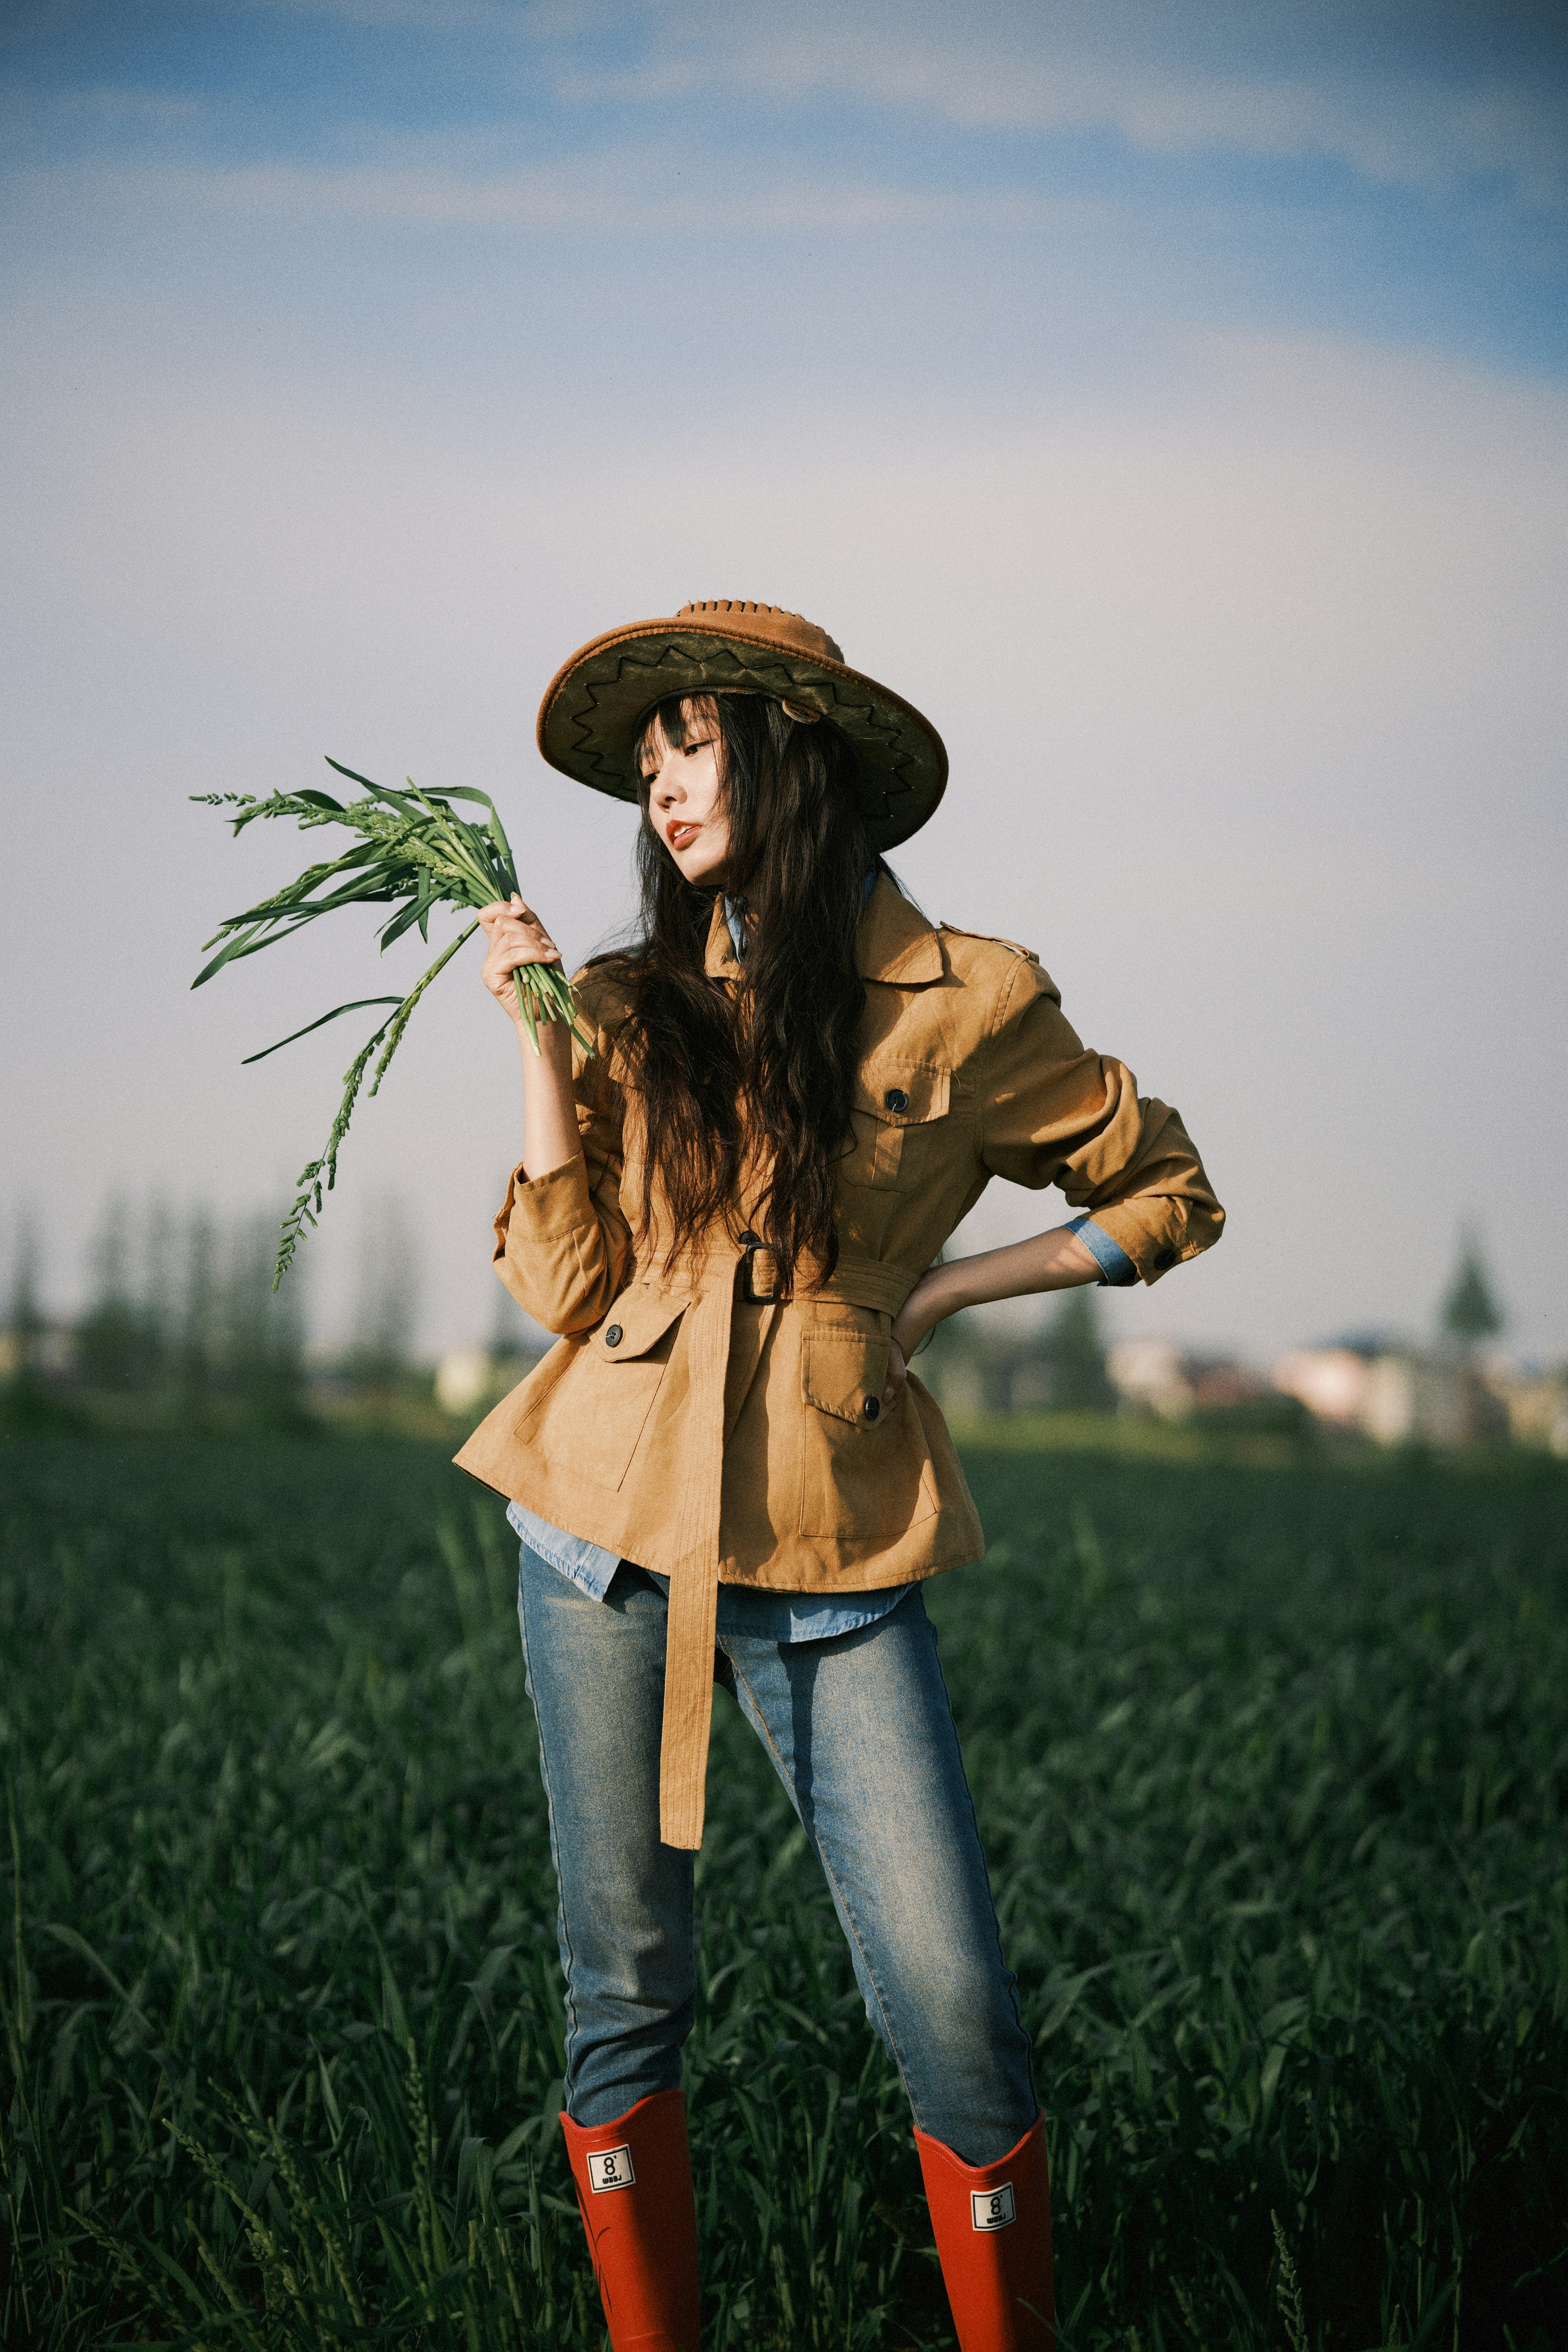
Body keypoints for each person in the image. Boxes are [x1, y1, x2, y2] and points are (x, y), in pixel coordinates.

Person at [457, 600, 1224, 2351]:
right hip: (593, 1548)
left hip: (838, 1548)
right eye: (644, 758)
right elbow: (568, 1292)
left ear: (793, 754)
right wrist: (530, 1037)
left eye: (696, 739)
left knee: (957, 2007)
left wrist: (954, 1283)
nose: (660, 784)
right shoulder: (626, 998)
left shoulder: (971, 999)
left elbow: (1168, 1190)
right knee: (626, 1999)